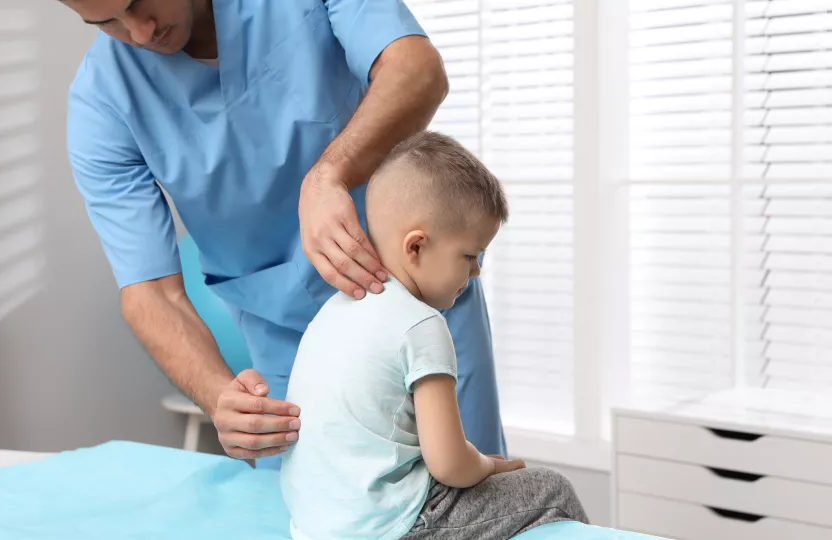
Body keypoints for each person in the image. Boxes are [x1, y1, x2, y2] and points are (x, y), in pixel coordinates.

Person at [61, 0, 507, 467]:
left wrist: (328, 175)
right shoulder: (102, 101)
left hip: (420, 299)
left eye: (137, 1)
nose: (139, 31)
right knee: (311, 510)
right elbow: (151, 292)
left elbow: (416, 72)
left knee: (472, 504)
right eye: (105, 21)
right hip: (287, 339)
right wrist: (219, 398)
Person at [280, 131, 588, 540]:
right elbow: (449, 465)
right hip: (393, 527)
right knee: (552, 492)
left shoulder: (333, 310)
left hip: (315, 527)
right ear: (417, 246)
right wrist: (490, 465)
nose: (477, 272)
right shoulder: (420, 324)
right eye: (470, 256)